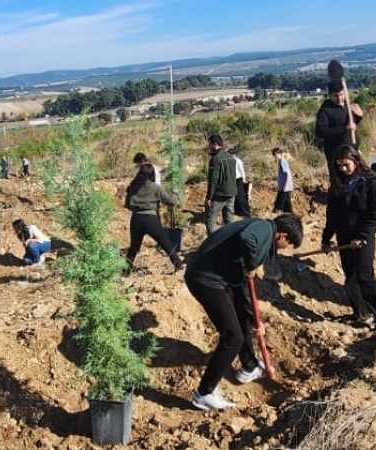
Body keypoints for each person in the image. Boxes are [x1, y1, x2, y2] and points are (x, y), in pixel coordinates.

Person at [184, 214, 303, 410]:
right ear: (282, 235)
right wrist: (252, 264)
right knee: (233, 337)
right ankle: (204, 393)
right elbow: (247, 238)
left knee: (242, 319)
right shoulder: (264, 229)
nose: (285, 249)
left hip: (216, 278)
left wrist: (255, 321)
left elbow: (243, 292)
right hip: (205, 279)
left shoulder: (264, 230)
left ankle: (249, 366)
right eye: (288, 244)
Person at [322, 145, 376, 330]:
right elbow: (332, 216)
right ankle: (362, 314)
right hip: (344, 238)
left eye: (346, 164)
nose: (342, 169)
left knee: (364, 276)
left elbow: (375, 214)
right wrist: (326, 239)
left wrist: (362, 237)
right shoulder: (338, 185)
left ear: (356, 161)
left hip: (363, 238)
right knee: (350, 277)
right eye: (339, 166)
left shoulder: (372, 182)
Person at [125, 164, 183, 270]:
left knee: (134, 247)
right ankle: (178, 264)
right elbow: (171, 202)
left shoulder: (132, 186)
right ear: (152, 174)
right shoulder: (155, 187)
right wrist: (174, 197)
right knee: (165, 243)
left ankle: (126, 269)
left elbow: (127, 205)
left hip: (136, 219)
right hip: (150, 219)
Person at [316, 81, 364, 182]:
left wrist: (359, 116)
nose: (339, 98)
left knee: (356, 177)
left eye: (342, 94)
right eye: (335, 96)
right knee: (338, 180)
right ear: (329, 95)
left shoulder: (348, 105)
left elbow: (352, 124)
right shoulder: (325, 110)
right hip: (335, 152)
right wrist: (344, 128)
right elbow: (321, 131)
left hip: (352, 150)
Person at [205, 134, 238, 235]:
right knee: (229, 220)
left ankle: (213, 243)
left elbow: (213, 180)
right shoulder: (231, 157)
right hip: (232, 193)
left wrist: (209, 197)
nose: (209, 147)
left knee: (210, 220)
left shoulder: (215, 159)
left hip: (220, 195)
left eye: (209, 144)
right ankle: (230, 241)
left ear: (215, 144)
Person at [272, 147, 294, 213]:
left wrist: (286, 185)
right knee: (287, 200)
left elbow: (287, 173)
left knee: (280, 199)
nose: (275, 157)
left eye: (275, 155)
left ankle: (277, 210)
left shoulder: (282, 161)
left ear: (277, 154)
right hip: (285, 185)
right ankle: (289, 212)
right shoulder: (282, 161)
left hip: (285, 186)